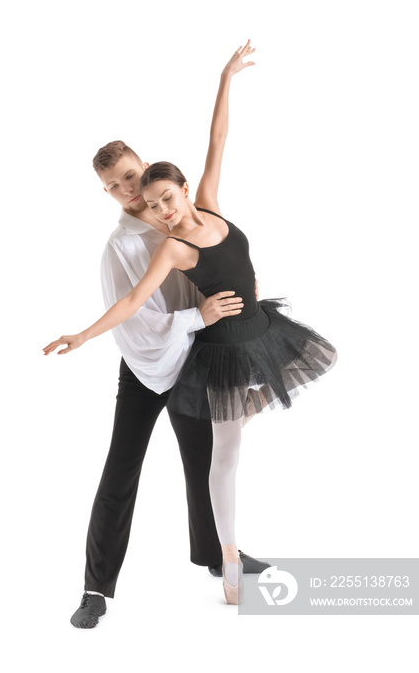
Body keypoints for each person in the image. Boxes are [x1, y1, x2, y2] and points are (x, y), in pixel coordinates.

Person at [43, 39, 337, 605]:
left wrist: (239, 288)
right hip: (149, 366)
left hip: (201, 359)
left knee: (206, 460)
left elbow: (218, 151)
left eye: (134, 178)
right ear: (106, 194)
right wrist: (98, 332)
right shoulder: (121, 248)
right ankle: (95, 589)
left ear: (150, 173)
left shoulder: (177, 203)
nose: (132, 193)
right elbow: (135, 320)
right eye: (117, 187)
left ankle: (216, 556)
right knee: (120, 470)